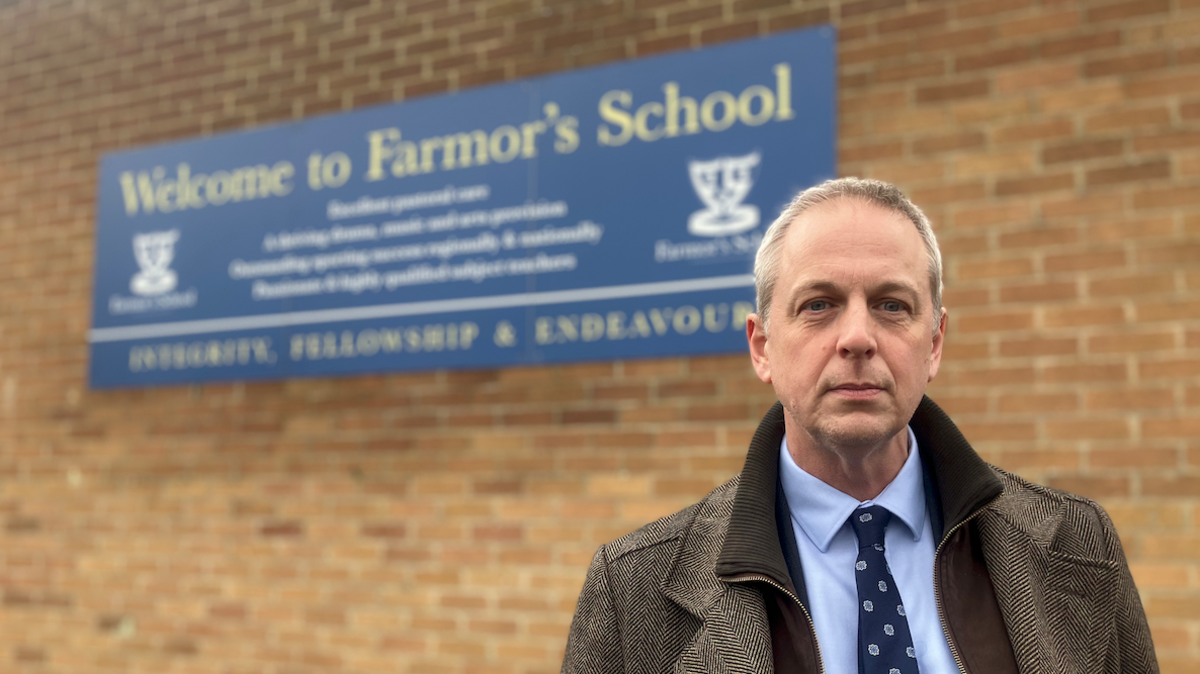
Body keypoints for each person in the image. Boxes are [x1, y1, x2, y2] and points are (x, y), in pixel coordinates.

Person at [561, 178, 1157, 674]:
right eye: (818, 304)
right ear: (762, 347)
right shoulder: (632, 592)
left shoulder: (1079, 546)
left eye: (891, 305)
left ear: (935, 344)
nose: (856, 338)